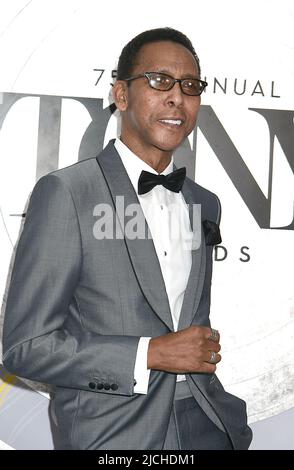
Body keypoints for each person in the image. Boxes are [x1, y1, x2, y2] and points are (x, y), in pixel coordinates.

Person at [2, 27, 252, 450]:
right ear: (121, 95)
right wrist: (148, 354)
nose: (177, 97)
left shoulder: (205, 203)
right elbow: (25, 348)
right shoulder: (68, 193)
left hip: (208, 425)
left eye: (190, 86)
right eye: (159, 81)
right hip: (114, 435)